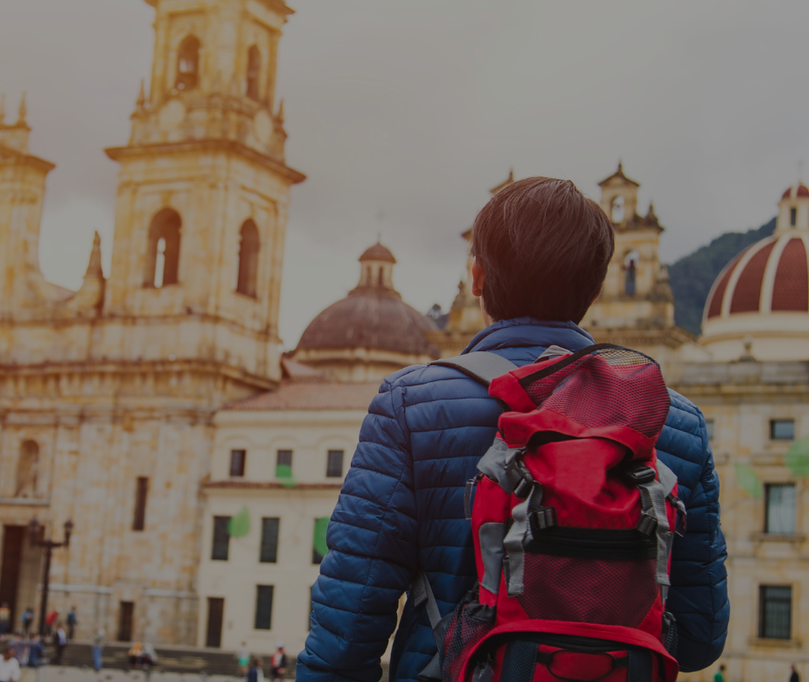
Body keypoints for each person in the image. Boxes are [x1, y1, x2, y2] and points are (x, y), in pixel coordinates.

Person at [298, 178, 729, 682]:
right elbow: (700, 638)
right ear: (595, 285)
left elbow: (346, 633)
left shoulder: (409, 405)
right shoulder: (677, 424)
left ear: (477, 276)